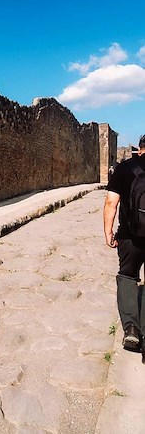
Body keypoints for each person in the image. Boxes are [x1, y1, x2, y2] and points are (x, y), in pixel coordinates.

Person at [104, 134, 145, 356]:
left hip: (130, 237)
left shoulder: (125, 168)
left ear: (140, 149)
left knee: (128, 277)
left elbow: (111, 202)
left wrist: (108, 231)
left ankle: (131, 328)